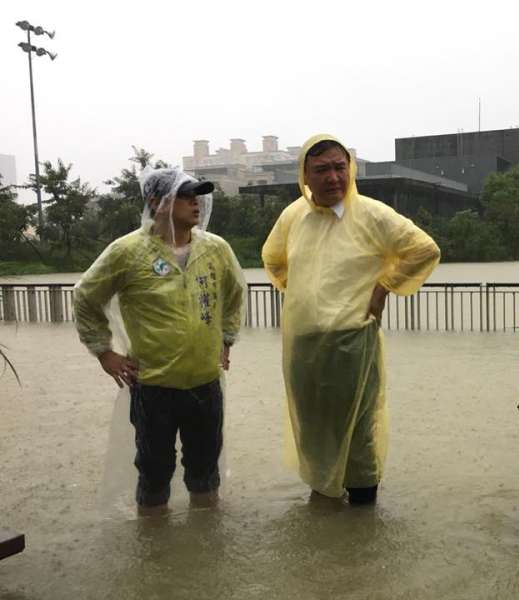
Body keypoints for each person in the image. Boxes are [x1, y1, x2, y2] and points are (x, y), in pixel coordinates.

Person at [262, 133, 440, 505]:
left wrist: (382, 288)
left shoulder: (372, 214)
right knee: (313, 431)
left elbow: (424, 249)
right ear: (305, 177)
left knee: (358, 431)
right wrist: (301, 291)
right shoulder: (294, 216)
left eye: (340, 168)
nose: (333, 178)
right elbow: (272, 258)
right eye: (321, 170)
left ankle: (361, 522)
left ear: (351, 170)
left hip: (352, 343)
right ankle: (324, 508)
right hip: (304, 344)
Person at [74, 167, 246, 514]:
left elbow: (234, 294)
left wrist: (226, 339)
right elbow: (85, 297)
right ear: (157, 202)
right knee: (154, 472)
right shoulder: (128, 251)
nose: (195, 202)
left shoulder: (216, 249)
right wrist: (104, 352)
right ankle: (154, 545)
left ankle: (205, 541)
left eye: (197, 195)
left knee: (205, 470)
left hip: (205, 382)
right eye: (185, 195)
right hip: (153, 385)